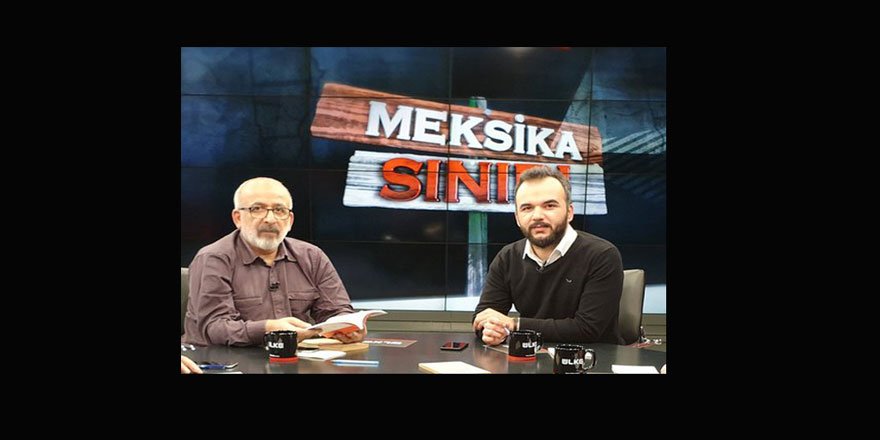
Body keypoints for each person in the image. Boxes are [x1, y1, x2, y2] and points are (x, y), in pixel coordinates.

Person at [182, 177, 365, 347]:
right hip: (221, 360)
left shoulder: (312, 256)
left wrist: (347, 326)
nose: (270, 219)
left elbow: (335, 311)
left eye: (279, 210)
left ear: (290, 220)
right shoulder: (213, 259)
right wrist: (268, 329)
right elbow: (216, 328)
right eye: (257, 209)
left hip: (292, 357)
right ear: (238, 218)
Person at [473, 166, 624, 346]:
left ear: (569, 212)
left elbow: (587, 328)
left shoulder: (602, 255)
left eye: (549, 206)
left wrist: (514, 324)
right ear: (517, 218)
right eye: (527, 208)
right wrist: (491, 329)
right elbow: (484, 316)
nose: (537, 216)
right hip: (530, 354)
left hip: (595, 357)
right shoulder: (507, 257)